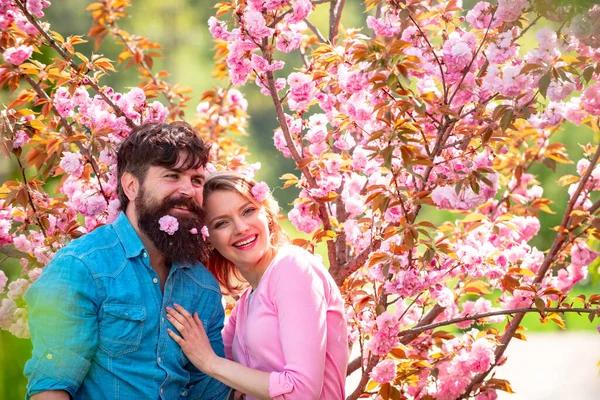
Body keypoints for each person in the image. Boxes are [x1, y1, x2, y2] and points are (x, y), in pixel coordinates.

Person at [24, 122, 231, 399]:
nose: (188, 190)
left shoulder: (202, 285)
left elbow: (210, 391)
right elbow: (51, 387)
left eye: (196, 180)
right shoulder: (81, 267)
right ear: (131, 186)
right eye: (172, 176)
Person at [166, 171, 349, 399]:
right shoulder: (244, 306)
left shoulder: (293, 267)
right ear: (209, 240)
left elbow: (301, 391)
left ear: (267, 215)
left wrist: (210, 362)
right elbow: (209, 377)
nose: (241, 228)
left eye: (248, 211)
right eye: (222, 223)